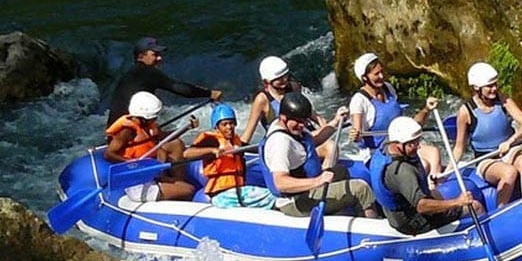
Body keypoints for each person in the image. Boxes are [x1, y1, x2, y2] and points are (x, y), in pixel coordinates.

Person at [263, 90, 379, 218]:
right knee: (361, 189)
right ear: (283, 118)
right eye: (298, 122)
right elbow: (281, 183)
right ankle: (372, 224)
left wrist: (335, 121)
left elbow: (314, 140)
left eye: (304, 121)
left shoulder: (292, 128)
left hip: (309, 189)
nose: (302, 125)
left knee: (341, 171)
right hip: (297, 201)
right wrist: (318, 181)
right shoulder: (280, 143)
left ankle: (340, 213)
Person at [370, 116, 483, 235]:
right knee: (476, 206)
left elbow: (412, 127)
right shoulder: (402, 171)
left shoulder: (386, 146)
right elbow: (421, 206)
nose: (418, 146)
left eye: (418, 141)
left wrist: (427, 110)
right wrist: (458, 202)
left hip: (399, 209)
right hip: (412, 220)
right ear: (398, 144)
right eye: (413, 144)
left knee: (437, 194)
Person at [450, 61, 522, 205]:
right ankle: (500, 210)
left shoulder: (503, 100)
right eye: (489, 86)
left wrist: (510, 141)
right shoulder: (466, 112)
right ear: (477, 88)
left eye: (496, 84)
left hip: (509, 150)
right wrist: (446, 172)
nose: (494, 89)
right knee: (509, 173)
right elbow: (459, 148)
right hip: (486, 159)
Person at [348, 51, 442, 179]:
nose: (381, 76)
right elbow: (357, 134)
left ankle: (434, 187)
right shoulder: (359, 101)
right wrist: (355, 135)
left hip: (401, 146)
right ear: (365, 77)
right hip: (378, 154)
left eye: (382, 72)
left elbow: (408, 126)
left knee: (433, 152)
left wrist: (426, 109)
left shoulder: (388, 88)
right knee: (423, 165)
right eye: (376, 74)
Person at [106, 37, 223, 126]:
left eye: (160, 54)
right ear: (141, 57)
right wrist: (209, 93)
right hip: (128, 134)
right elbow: (179, 88)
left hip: (116, 131)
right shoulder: (147, 72)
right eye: (155, 55)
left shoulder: (132, 73)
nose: (160, 58)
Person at [104, 90, 197, 201]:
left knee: (176, 144)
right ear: (143, 117)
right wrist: (129, 162)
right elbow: (108, 154)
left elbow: (164, 137)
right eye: (153, 117)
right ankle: (168, 195)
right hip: (137, 183)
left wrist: (187, 127)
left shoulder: (148, 126)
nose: (155, 119)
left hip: (150, 173)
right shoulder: (127, 131)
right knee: (189, 191)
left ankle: (172, 183)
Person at [184, 104, 276, 208]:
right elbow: (187, 154)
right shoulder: (211, 140)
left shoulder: (236, 141)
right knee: (273, 197)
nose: (229, 127)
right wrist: (212, 150)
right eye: (224, 124)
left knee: (273, 194)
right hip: (221, 194)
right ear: (217, 127)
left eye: (231, 123)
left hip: (237, 190)